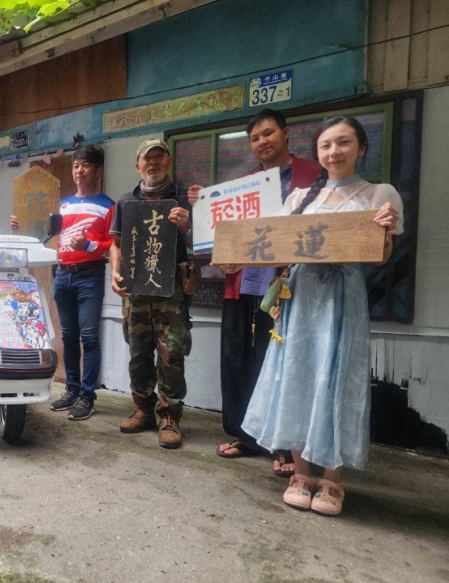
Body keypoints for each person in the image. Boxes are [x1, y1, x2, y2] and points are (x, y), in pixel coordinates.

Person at [239, 116, 402, 516]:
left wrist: (385, 230)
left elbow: (381, 257)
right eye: (326, 145)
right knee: (296, 373)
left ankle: (333, 479)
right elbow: (276, 251)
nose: (334, 152)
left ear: (361, 148)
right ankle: (300, 471)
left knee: (337, 376)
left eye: (344, 143)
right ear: (317, 153)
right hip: (301, 293)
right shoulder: (298, 199)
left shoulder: (379, 194)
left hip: (343, 296)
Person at [187, 109, 321, 476]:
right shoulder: (243, 184)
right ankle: (243, 433)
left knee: (276, 362)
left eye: (268, 133)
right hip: (241, 282)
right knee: (235, 357)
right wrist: (203, 206)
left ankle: (281, 443)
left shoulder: (314, 176)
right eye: (255, 137)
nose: (262, 141)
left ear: (286, 133)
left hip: (288, 284)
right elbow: (218, 234)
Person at [10, 146, 114, 420]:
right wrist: (20, 227)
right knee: (68, 337)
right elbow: (42, 236)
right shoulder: (63, 205)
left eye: (85, 166)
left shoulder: (108, 205)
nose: (79, 171)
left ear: (97, 171)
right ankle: (71, 389)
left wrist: (90, 244)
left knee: (89, 337)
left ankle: (87, 396)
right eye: (75, 166)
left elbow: (114, 245)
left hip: (90, 275)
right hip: (64, 273)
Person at [110, 139, 193, 449]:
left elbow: (205, 245)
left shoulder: (184, 199)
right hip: (136, 290)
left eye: (159, 157)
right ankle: (143, 409)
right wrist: (115, 272)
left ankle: (170, 416)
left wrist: (186, 226)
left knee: (171, 353)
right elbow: (115, 243)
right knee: (138, 350)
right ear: (138, 166)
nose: (153, 163)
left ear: (169, 162)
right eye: (147, 159)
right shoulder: (126, 202)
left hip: (171, 291)